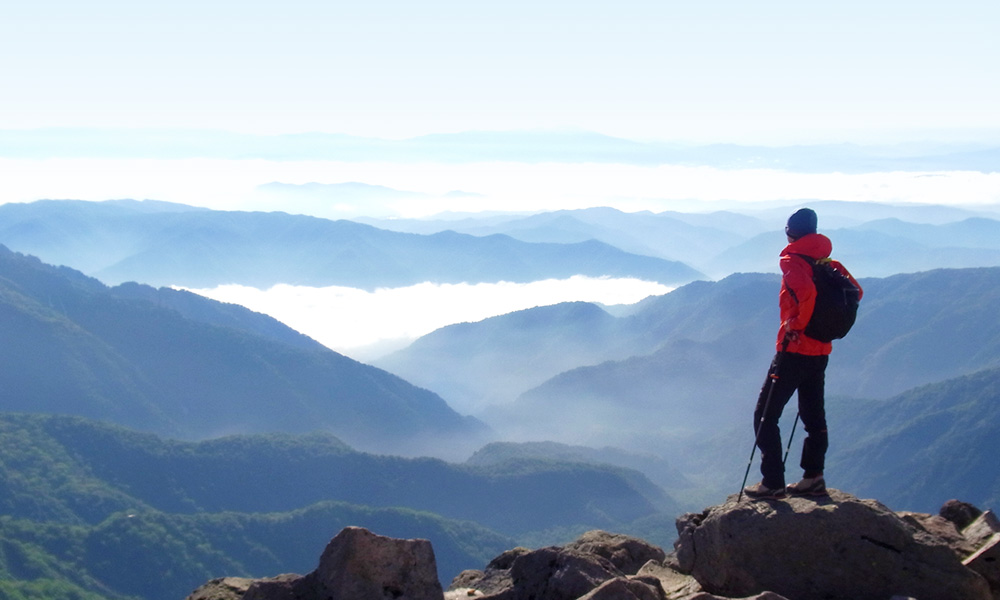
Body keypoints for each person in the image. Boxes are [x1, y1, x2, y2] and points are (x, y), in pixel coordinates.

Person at [743, 208, 862, 499]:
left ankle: (772, 483)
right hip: (821, 351)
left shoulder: (793, 260)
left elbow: (806, 293)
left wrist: (795, 324)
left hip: (794, 349)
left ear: (789, 232)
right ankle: (814, 477)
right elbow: (855, 291)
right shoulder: (827, 260)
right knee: (813, 416)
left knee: (764, 416)